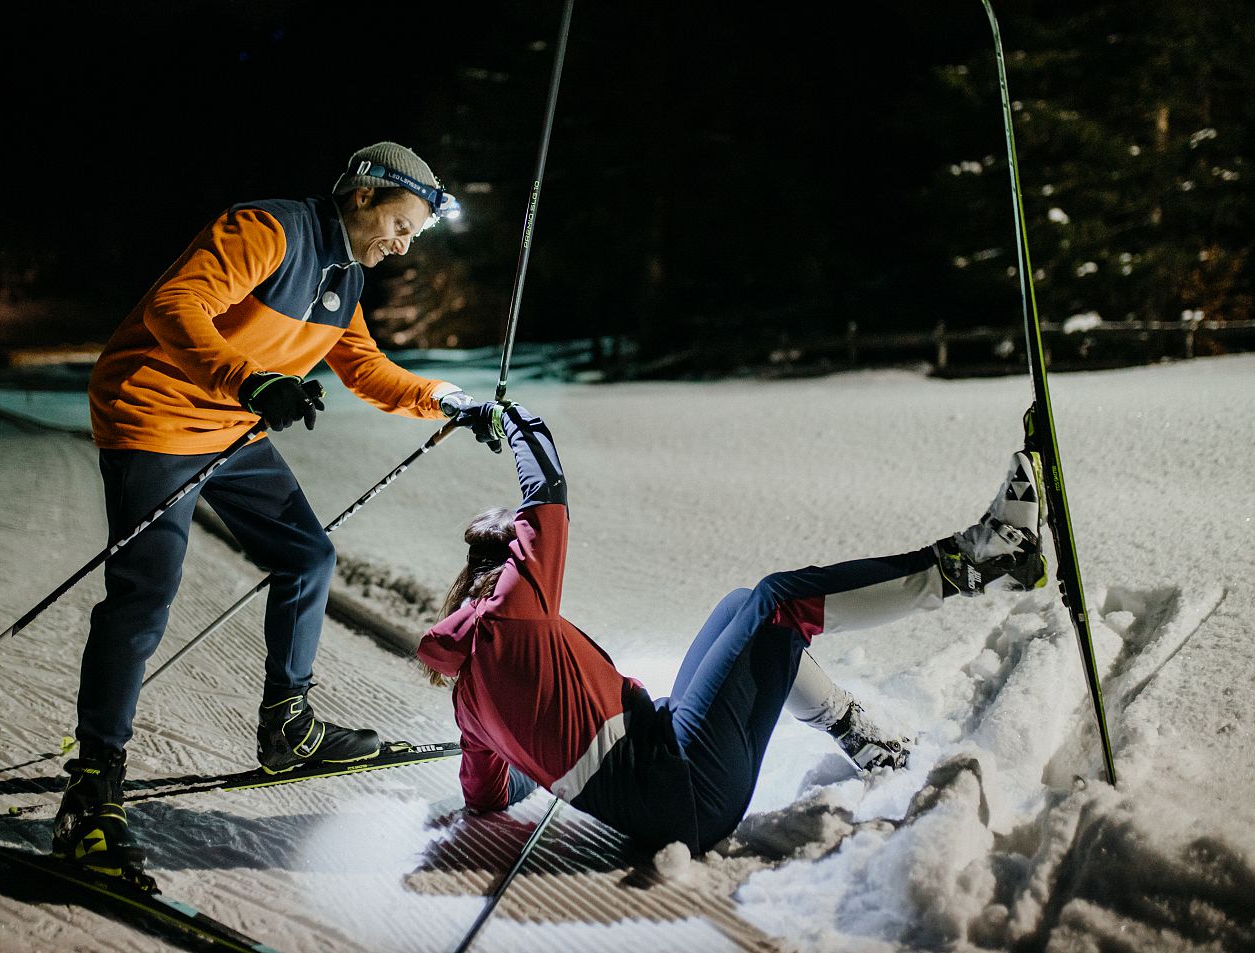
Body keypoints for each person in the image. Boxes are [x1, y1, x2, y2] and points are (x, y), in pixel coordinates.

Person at [54, 141, 497, 875]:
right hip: (156, 417)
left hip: (229, 422)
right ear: (362, 194)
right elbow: (175, 304)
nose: (404, 242)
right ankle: (91, 785)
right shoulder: (269, 230)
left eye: (414, 234)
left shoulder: (345, 278)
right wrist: (250, 379)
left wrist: (447, 400)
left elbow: (366, 370)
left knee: (307, 553)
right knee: (143, 595)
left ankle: (288, 727)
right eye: (401, 223)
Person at [420, 401, 1046, 854]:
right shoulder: (514, 615)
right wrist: (510, 417)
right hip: (684, 788)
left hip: (665, 761)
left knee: (741, 605)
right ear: (510, 562)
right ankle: (979, 559)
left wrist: (531, 749)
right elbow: (547, 490)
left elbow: (487, 796)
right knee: (777, 602)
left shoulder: (470, 695)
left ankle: (861, 737)